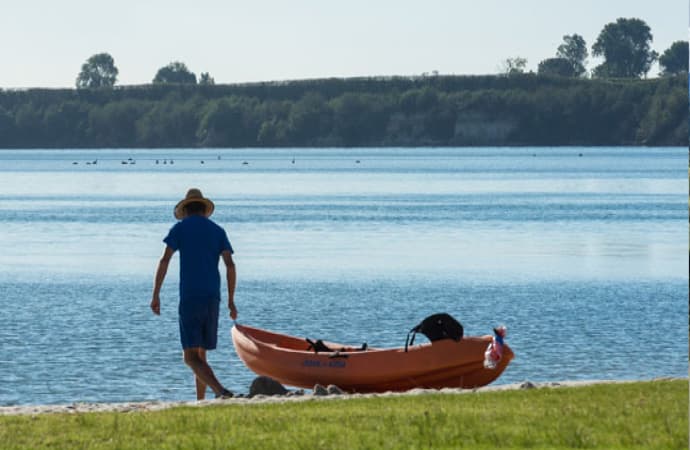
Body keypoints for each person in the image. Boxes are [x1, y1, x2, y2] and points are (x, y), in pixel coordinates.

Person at [150, 188, 238, 399]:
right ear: (203, 210)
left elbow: (164, 260)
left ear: (186, 210)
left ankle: (220, 391)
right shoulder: (218, 231)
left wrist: (156, 294)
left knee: (190, 357)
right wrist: (231, 301)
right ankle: (201, 401)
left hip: (191, 296)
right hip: (212, 297)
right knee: (201, 354)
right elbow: (230, 265)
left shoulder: (180, 229)